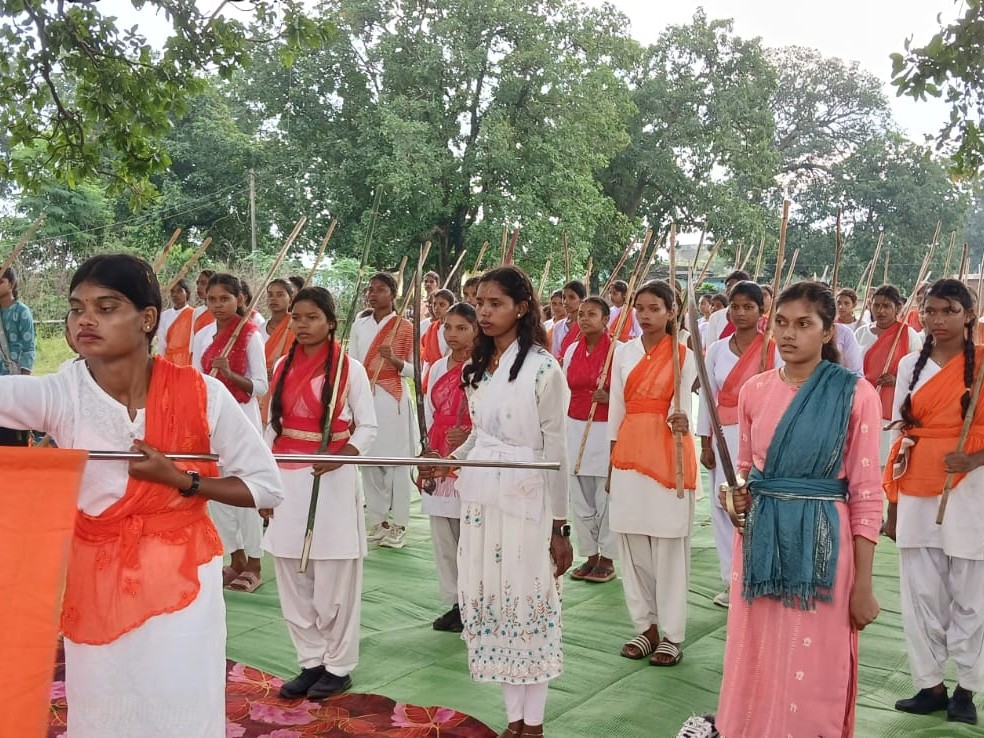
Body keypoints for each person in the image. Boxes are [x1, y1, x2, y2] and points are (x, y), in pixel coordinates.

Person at [0, 253, 282, 737]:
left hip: (183, 583)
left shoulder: (203, 393)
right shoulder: (61, 394)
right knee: (104, 707)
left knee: (180, 702)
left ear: (147, 318)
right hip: (97, 584)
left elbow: (264, 485)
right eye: (76, 308)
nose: (85, 319)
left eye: (106, 307)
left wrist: (183, 481)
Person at [714, 281, 882, 738]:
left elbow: (867, 493)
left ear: (829, 331)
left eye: (804, 324)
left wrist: (863, 585)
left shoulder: (855, 393)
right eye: (782, 323)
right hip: (762, 541)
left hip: (825, 545)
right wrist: (736, 500)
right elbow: (746, 472)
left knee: (815, 663)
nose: (789, 334)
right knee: (757, 656)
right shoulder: (755, 390)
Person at [420, 265, 571, 738]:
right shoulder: (478, 370)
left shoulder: (545, 368)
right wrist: (445, 462)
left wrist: (559, 526)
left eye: (495, 303)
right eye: (480, 303)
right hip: (483, 502)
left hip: (528, 502)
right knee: (493, 601)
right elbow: (479, 439)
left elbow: (556, 451)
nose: (484, 312)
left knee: (527, 602)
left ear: (522, 308)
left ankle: (535, 724)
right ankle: (513, 721)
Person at [262, 286, 377, 700]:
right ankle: (310, 660)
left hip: (332, 477)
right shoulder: (280, 366)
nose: (302, 325)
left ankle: (339, 665)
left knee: (333, 578)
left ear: (330, 321)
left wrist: (343, 454)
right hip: (285, 478)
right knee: (291, 570)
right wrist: (263, 483)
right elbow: (271, 429)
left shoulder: (351, 369)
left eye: (311, 317)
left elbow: (368, 426)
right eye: (296, 318)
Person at [884, 278, 984, 726]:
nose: (938, 320)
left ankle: (966, 689)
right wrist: (891, 506)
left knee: (972, 593)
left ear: (969, 314)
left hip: (970, 487)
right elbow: (899, 428)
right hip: (916, 485)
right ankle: (930, 685)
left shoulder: (981, 364)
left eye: (948, 310)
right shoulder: (909, 363)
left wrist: (974, 457)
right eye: (931, 311)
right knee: (920, 591)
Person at [608, 280, 697, 667]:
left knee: (668, 545)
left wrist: (682, 420)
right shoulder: (623, 352)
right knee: (631, 542)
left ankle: (672, 635)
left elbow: (684, 408)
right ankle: (645, 627)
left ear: (671, 312)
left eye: (654, 308)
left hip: (667, 454)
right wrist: (611, 459)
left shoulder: (684, 355)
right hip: (628, 453)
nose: (645, 316)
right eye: (640, 308)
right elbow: (616, 409)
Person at [697, 281, 780, 609]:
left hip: (761, 437)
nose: (741, 312)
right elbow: (707, 396)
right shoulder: (716, 349)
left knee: (758, 505)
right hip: (723, 437)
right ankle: (731, 579)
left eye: (749, 306)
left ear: (762, 311)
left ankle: (760, 577)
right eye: (736, 306)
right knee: (725, 506)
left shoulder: (772, 349)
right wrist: (705, 441)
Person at [193, 272, 269, 592]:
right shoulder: (203, 336)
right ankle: (234, 558)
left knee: (244, 492)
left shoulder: (251, 336)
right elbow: (196, 381)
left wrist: (230, 373)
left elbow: (261, 388)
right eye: (212, 299)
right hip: (212, 422)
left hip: (243, 420)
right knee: (217, 492)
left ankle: (254, 562)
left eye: (225, 299)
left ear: (239, 299)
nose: (218, 305)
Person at [349, 272, 416, 549]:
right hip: (365, 397)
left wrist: (396, 361)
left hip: (392, 400)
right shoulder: (359, 325)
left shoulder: (405, 327)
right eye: (370, 289)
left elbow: (417, 371)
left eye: (380, 289)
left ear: (393, 294)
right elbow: (352, 365)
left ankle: (399, 524)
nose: (373, 294)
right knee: (368, 463)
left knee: (397, 464)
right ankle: (379, 522)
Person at [422, 302, 477, 632]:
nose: (453, 335)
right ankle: (456, 602)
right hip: (438, 453)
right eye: (448, 328)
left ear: (475, 330)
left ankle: (475, 601)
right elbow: (430, 412)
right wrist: (428, 453)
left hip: (469, 457)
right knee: (443, 533)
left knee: (470, 535)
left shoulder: (485, 368)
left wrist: (468, 433)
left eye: (461, 328)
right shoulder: (437, 367)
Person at [563, 296, 616, 583]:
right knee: (579, 495)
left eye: (591, 314)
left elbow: (628, 393)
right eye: (581, 314)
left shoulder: (617, 351)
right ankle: (590, 555)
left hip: (605, 429)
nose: (584, 319)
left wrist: (610, 398)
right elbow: (564, 387)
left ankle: (607, 558)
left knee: (604, 494)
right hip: (574, 425)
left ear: (606, 319)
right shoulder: (572, 350)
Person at [855, 284, 924, 465]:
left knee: (887, 458)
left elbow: (920, 372)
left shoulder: (908, 335)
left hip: (893, 407)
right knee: (863, 457)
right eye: (876, 305)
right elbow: (851, 368)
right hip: (864, 403)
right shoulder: (861, 333)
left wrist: (897, 379)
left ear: (898, 308)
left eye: (886, 306)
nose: (880, 310)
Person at [0, 266, 35, 446]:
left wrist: (24, 380)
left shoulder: (22, 311)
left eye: (0, 282)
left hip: (15, 377)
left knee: (14, 430)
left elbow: (29, 348)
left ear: (11, 284)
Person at [705, 271, 751, 342]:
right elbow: (710, 348)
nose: (730, 290)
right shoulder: (715, 317)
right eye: (728, 286)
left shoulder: (755, 318)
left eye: (735, 286)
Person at [157, 279, 195, 366]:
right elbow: (162, 343)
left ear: (187, 293)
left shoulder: (194, 315)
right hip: (168, 361)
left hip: (188, 361)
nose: (175, 295)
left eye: (179, 291)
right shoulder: (164, 315)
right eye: (172, 291)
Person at [421, 287, 455, 372]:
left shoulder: (454, 329)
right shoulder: (431, 328)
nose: (436, 308)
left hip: (446, 370)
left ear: (451, 306)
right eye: (434, 304)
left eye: (442, 304)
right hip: (428, 370)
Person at [551, 280, 586, 361]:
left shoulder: (587, 325)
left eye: (572, 297)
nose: (566, 302)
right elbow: (555, 354)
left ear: (582, 300)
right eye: (564, 297)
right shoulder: (558, 326)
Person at [192, 269, 217, 334]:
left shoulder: (222, 312)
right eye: (197, 283)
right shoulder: (196, 312)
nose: (198, 287)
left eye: (203, 283)